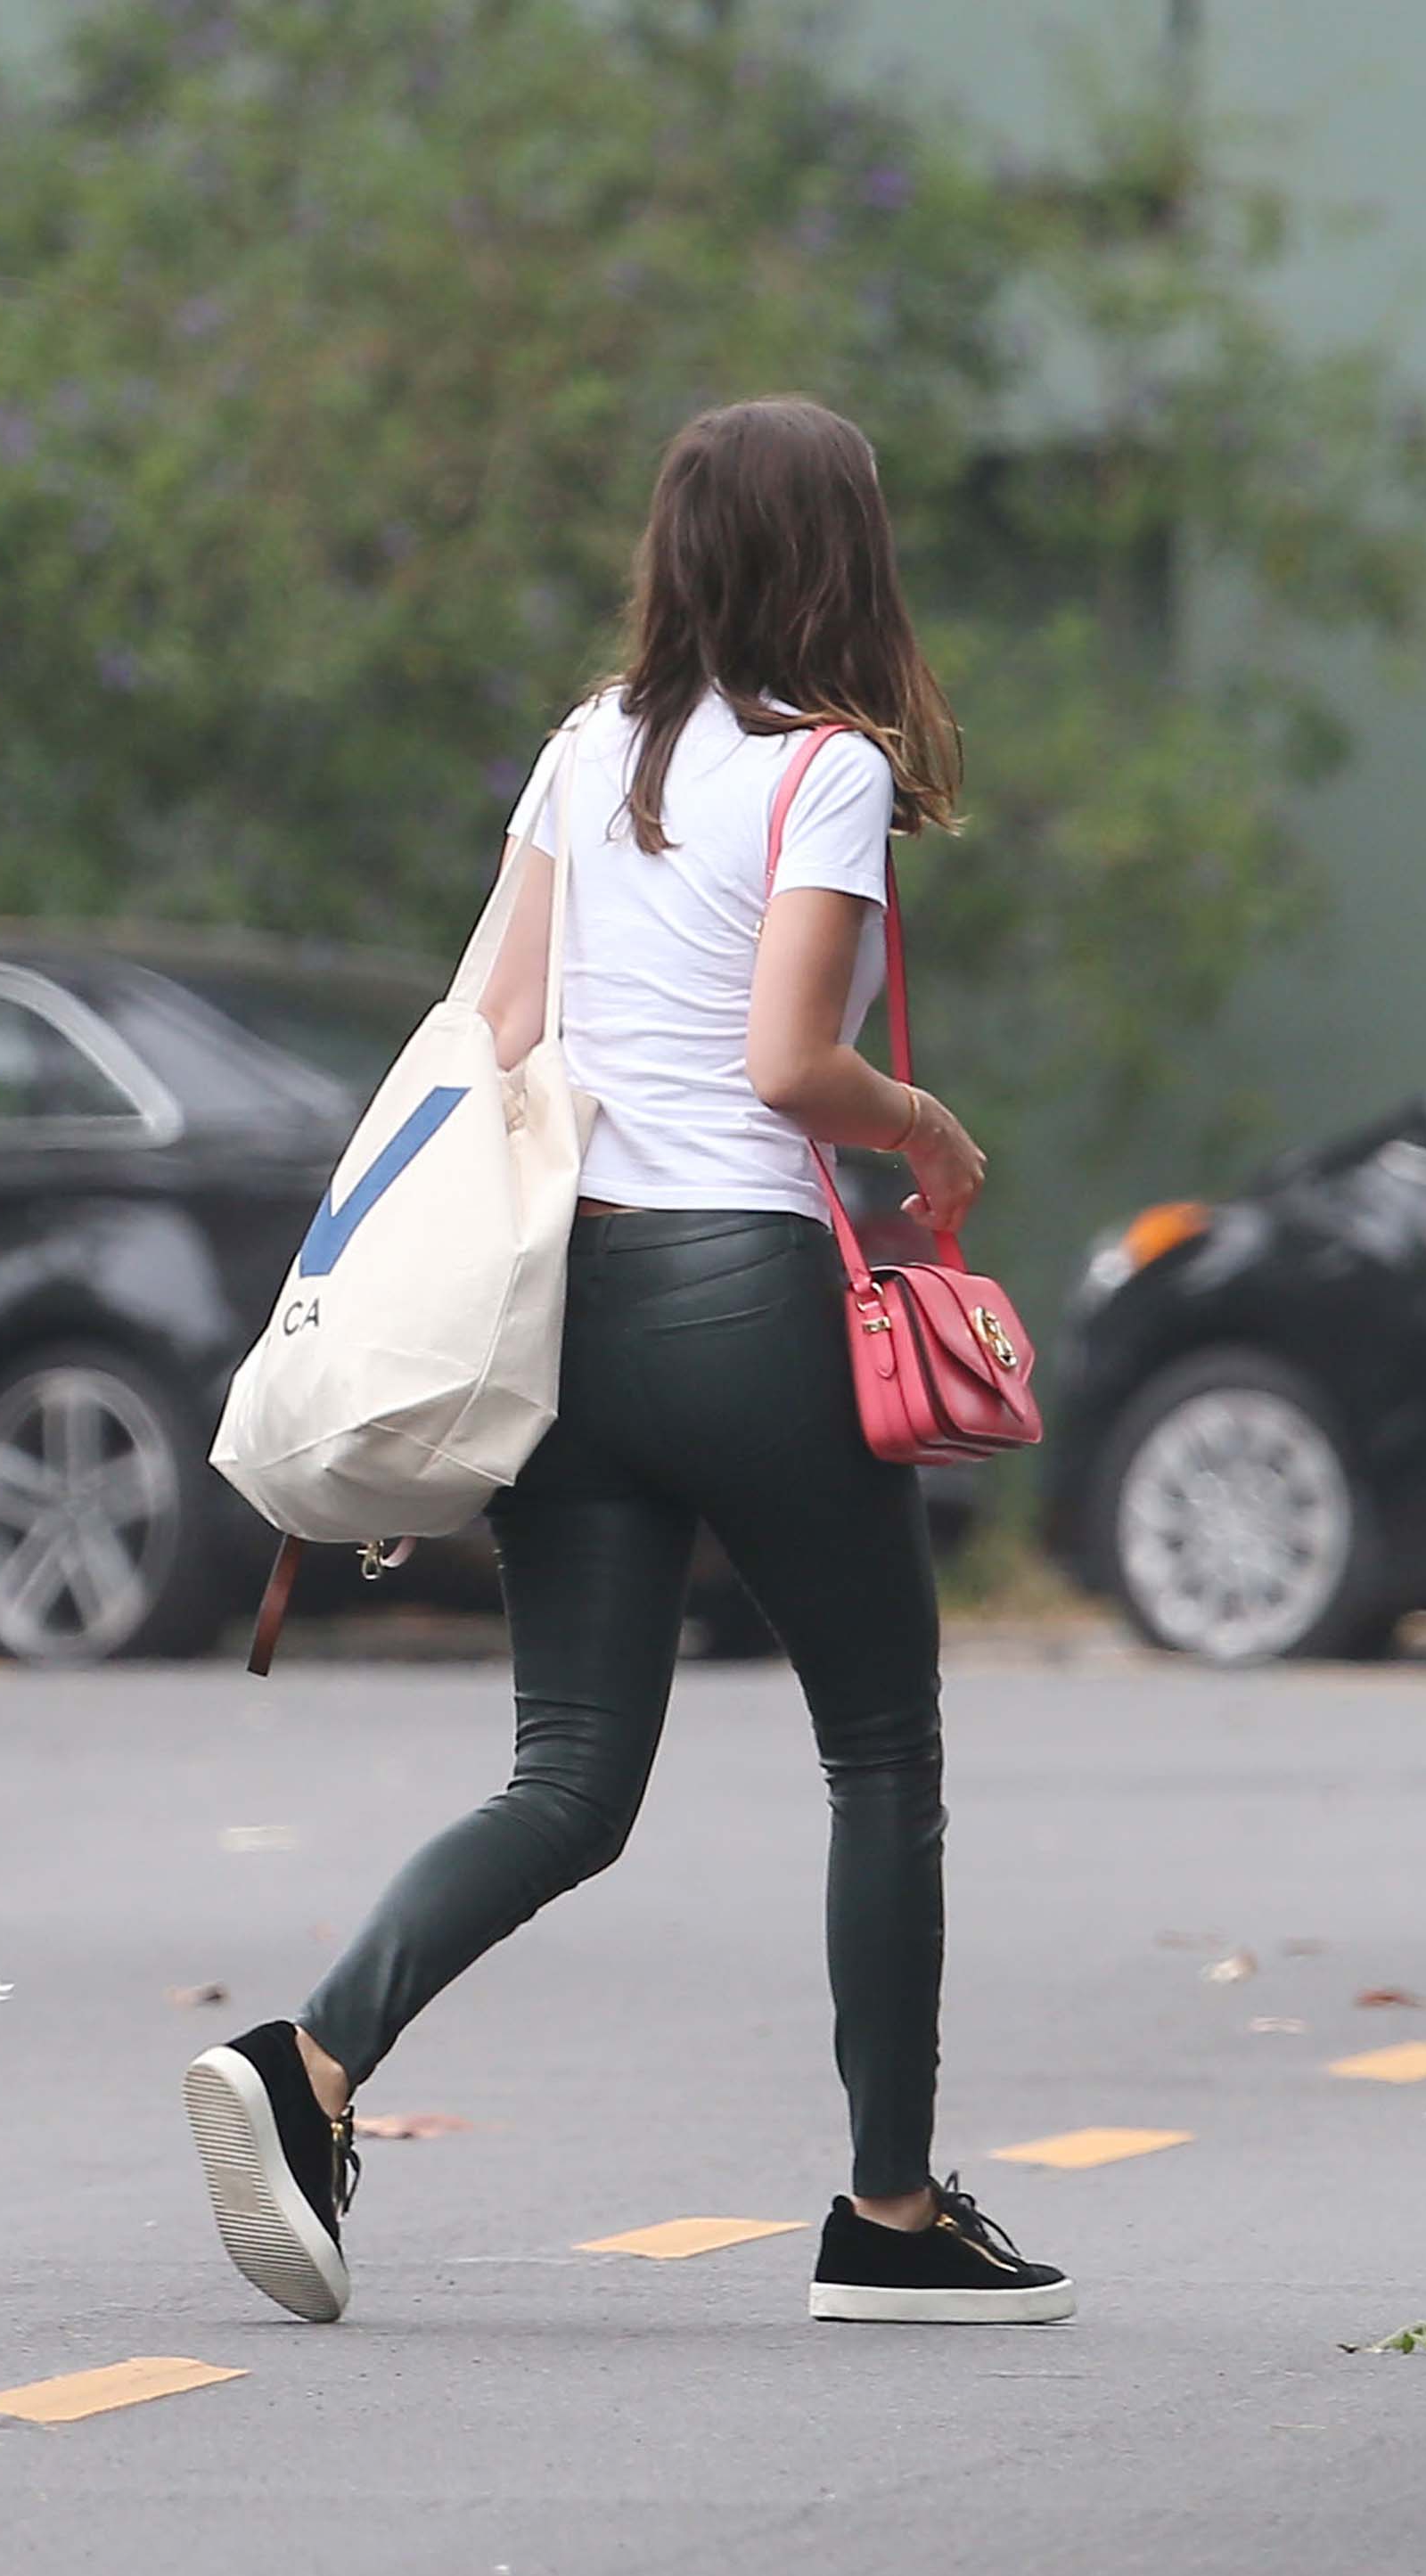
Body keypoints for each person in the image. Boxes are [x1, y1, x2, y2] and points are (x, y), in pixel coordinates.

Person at [184, 396, 1072, 2331]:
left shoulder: (589, 745)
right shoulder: (821, 769)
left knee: (570, 1775)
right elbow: (782, 1071)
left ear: (674, 552)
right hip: (743, 1296)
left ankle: (308, 2060)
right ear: (846, 558)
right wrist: (917, 1129)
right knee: (880, 1752)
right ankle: (889, 2214)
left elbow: (493, 1017)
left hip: (568, 1311)